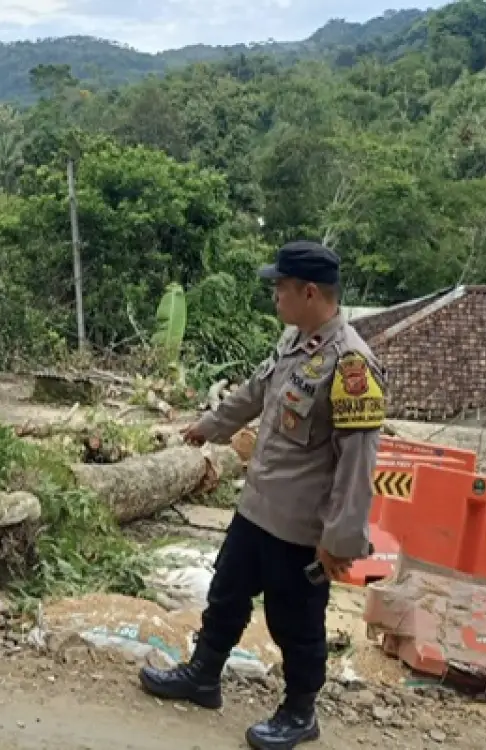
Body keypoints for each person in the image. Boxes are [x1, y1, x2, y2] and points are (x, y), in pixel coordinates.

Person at [138, 241, 385, 750]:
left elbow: (358, 463)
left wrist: (340, 539)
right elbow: (255, 392)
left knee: (295, 623)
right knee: (226, 593)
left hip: (300, 528)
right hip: (257, 507)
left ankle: (299, 713)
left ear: (310, 292)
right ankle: (203, 675)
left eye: (281, 287)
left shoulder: (351, 366)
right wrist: (208, 426)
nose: (275, 296)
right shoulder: (295, 341)